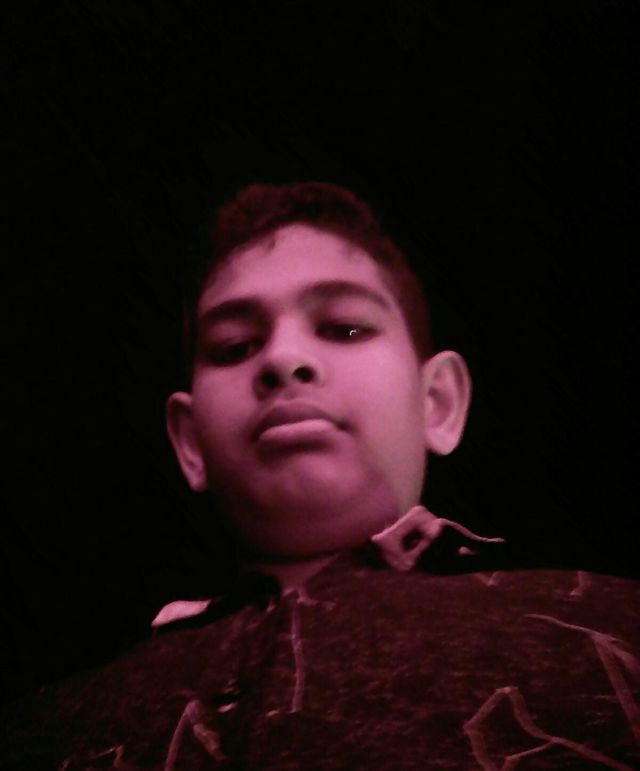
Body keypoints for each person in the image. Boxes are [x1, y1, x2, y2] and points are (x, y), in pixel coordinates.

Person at [2, 183, 638, 770]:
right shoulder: (42, 733)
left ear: (437, 404)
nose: (283, 358)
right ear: (190, 443)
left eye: (344, 327)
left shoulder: (620, 629)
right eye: (235, 347)